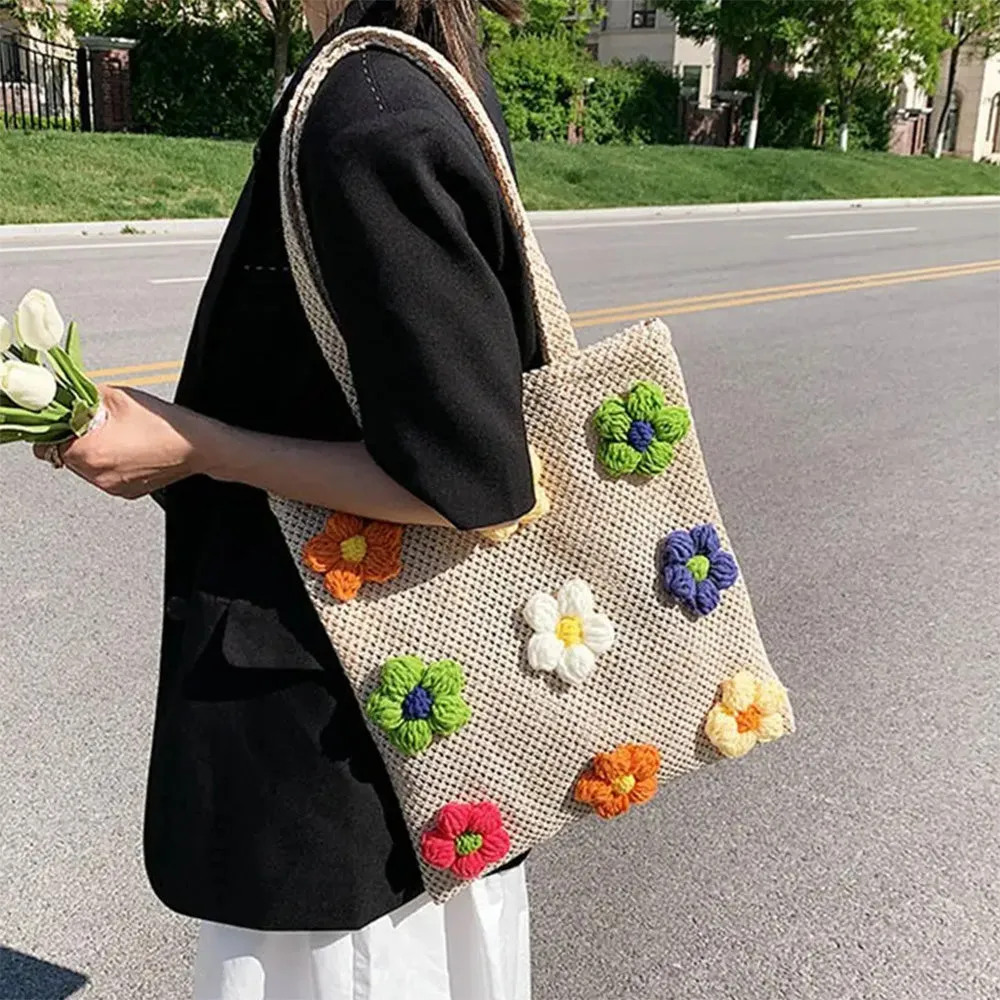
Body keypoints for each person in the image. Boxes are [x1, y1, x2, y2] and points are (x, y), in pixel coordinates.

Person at [35, 2, 539, 997]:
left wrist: (197, 443)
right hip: (392, 733)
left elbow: (471, 481)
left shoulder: (368, 111)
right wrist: (180, 449)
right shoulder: (404, 70)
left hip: (348, 769)